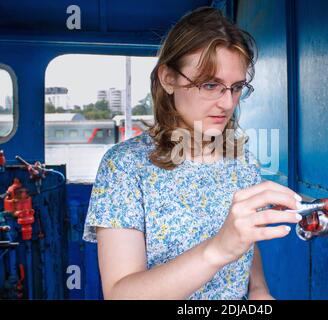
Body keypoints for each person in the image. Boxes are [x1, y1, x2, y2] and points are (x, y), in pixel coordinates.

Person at [83, 6, 302, 300]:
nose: (227, 103)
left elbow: (245, 242)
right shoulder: (125, 166)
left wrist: (260, 290)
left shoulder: (243, 160)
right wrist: (217, 249)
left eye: (236, 87)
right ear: (168, 78)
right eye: (210, 85)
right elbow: (121, 294)